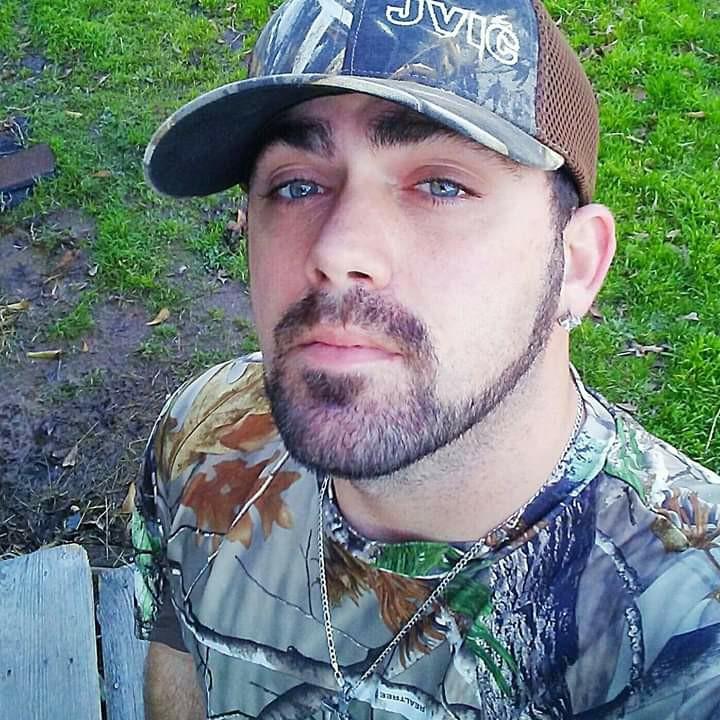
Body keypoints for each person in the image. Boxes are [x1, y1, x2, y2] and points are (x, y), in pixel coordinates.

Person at [131, 0, 720, 717]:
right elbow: (177, 653)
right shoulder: (205, 434)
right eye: (296, 185)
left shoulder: (688, 629)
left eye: (442, 186)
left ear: (576, 263)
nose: (337, 250)